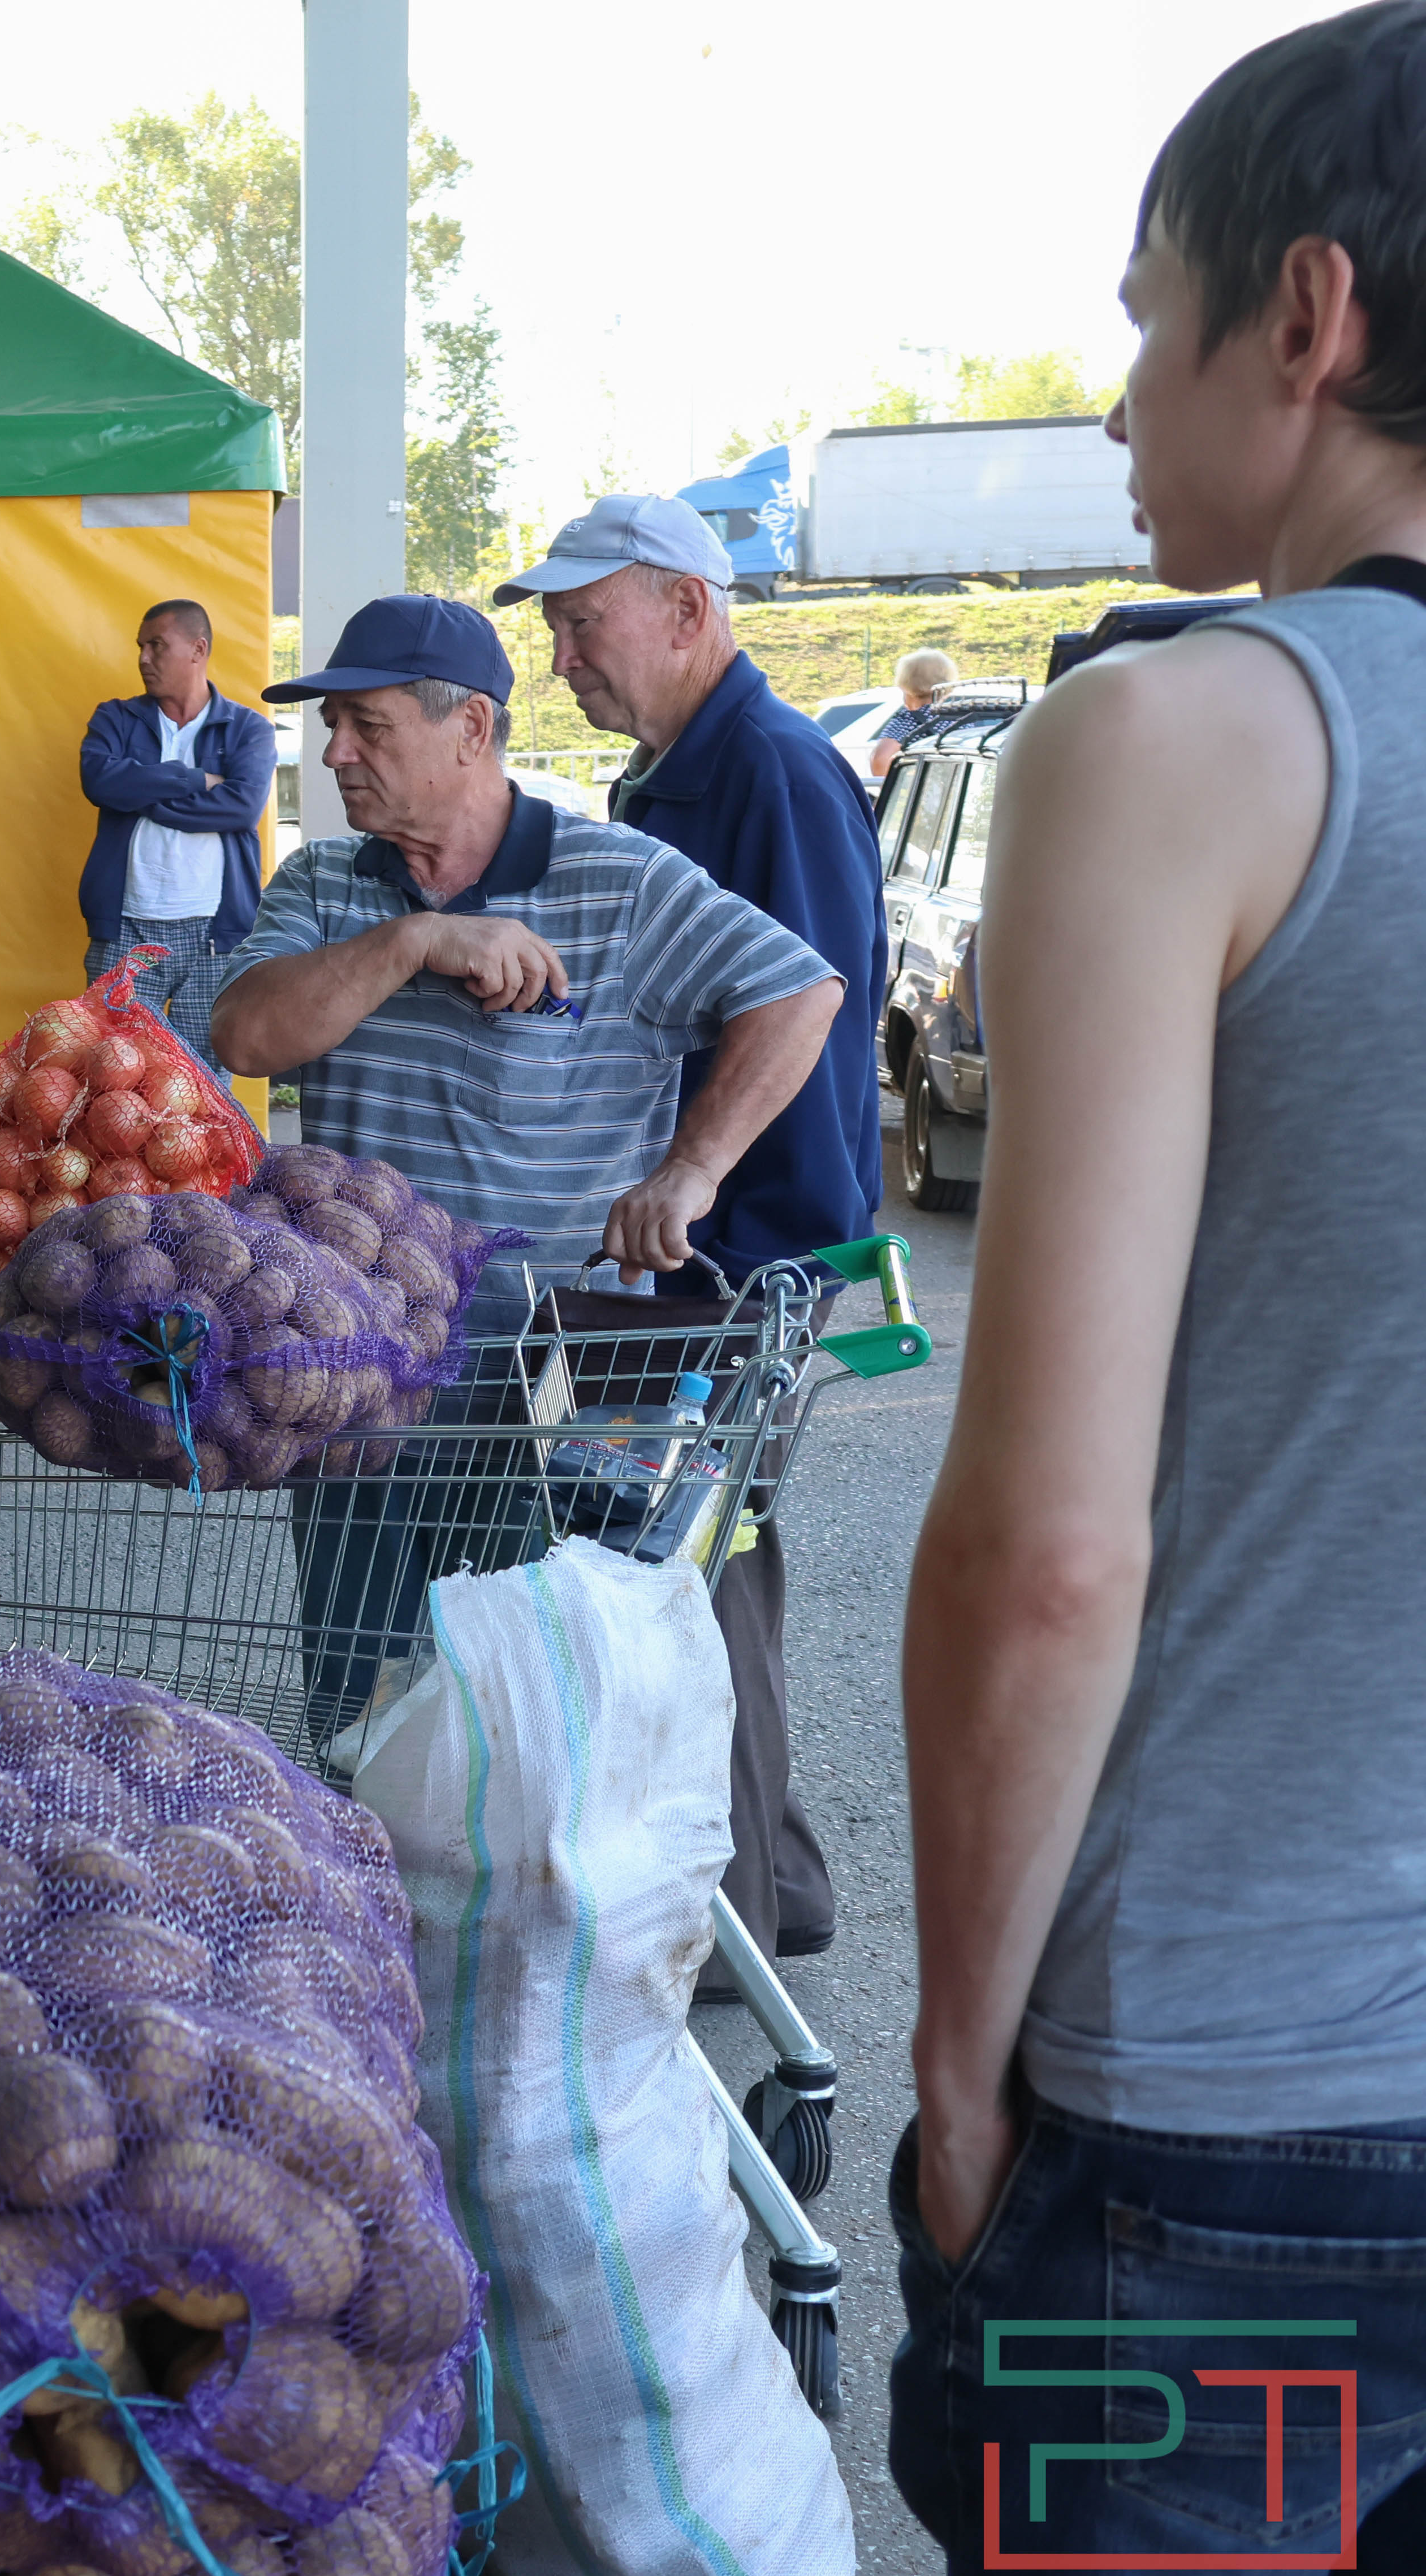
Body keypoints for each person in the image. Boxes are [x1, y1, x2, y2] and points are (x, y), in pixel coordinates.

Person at [894, 6, 1426, 2576]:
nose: (1119, 399)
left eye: (1146, 317)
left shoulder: (1181, 738)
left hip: (1222, 2141)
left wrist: (960, 2067)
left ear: (1305, 319)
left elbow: (1048, 1548)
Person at [207, 595, 841, 1730]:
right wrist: (413, 942)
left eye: (368, 725)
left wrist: (693, 1172)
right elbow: (247, 1034)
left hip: (550, 1412)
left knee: (544, 1736)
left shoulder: (625, 881)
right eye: (330, 726)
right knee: (366, 1719)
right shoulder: (325, 887)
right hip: (357, 1391)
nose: (336, 753)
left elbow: (802, 991)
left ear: (474, 727)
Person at [501, 492, 887, 1968]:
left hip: (751, 1250)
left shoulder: (775, 775)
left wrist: (697, 1173)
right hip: (693, 1251)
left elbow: (808, 1005)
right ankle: (774, 1889)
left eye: (583, 623)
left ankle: (739, 1917)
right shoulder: (666, 778)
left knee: (697, 1574)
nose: (564, 658)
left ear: (684, 607)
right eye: (552, 630)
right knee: (708, 1563)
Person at [74, 598, 277, 1061]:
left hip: (214, 935)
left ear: (198, 649)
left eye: (157, 645)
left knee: (205, 1081)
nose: (143, 658)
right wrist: (192, 779)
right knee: (112, 1074)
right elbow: (101, 782)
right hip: (124, 928)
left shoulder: (248, 729)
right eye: (141, 646)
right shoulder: (115, 719)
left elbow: (242, 808)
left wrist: (143, 800)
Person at [862, 646, 957, 780]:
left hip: (922, 794)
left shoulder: (907, 720)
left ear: (905, 682)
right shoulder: (959, 718)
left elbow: (880, 760)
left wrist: (900, 788)